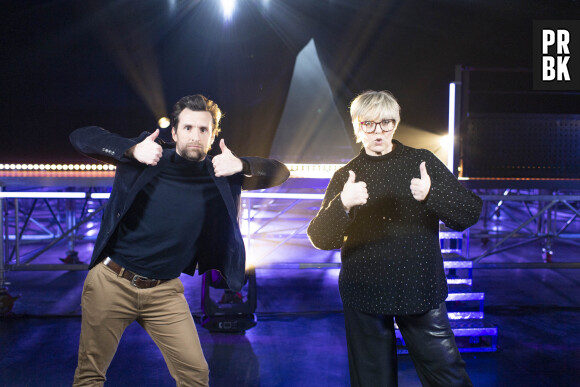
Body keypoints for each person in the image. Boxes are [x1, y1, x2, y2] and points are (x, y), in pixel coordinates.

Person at [70, 94, 290, 386]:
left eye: (203, 130)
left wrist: (242, 165)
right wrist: (132, 149)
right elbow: (82, 137)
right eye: (187, 128)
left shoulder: (220, 172)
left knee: (195, 375)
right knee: (90, 376)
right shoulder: (146, 157)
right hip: (113, 282)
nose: (195, 136)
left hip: (165, 292)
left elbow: (280, 172)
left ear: (212, 136)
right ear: (174, 133)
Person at [307, 90, 482, 386]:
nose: (378, 131)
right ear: (357, 126)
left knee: (449, 377)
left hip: (420, 289)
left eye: (386, 122)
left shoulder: (421, 162)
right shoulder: (346, 175)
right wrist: (343, 204)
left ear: (396, 123)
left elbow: (469, 213)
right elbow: (320, 238)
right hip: (364, 294)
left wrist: (431, 194)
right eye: (369, 124)